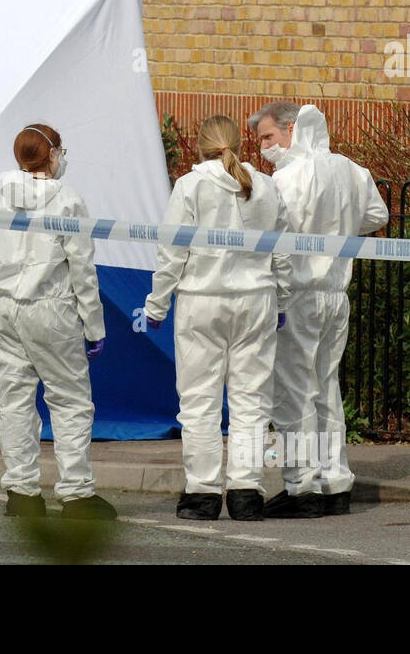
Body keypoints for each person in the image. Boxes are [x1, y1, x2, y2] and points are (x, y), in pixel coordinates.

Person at [143, 116, 292, 522]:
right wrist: (281, 303)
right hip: (255, 302)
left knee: (199, 403)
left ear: (199, 147)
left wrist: (156, 306)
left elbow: (172, 252)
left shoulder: (189, 187)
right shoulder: (265, 186)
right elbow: (282, 253)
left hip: (201, 302)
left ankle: (202, 494)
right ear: (239, 146)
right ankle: (247, 493)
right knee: (251, 401)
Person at [0, 124, 117, 521]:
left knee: (14, 401)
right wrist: (95, 327)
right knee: (69, 401)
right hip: (50, 312)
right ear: (51, 155)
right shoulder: (67, 201)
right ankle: (76, 496)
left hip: (1, 310)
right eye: (61, 150)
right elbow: (83, 270)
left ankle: (22, 493)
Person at [247, 101, 388, 518]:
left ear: (293, 129)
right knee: (327, 388)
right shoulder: (351, 169)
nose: (264, 149)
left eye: (269, 137)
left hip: (300, 292)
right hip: (336, 293)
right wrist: (339, 226)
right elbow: (377, 214)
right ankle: (335, 481)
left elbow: (274, 228)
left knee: (294, 392)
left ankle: (301, 486)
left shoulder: (288, 178)